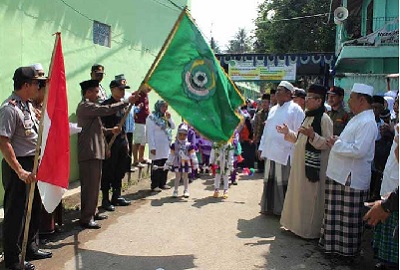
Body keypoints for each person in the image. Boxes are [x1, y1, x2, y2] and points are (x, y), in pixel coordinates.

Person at [0, 66, 52, 270]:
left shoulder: (28, 105)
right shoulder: (10, 108)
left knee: (34, 208)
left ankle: (30, 247)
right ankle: (13, 259)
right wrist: (20, 170)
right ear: (26, 85)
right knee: (16, 213)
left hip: (33, 163)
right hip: (18, 166)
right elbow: (4, 142)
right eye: (36, 83)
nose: (39, 86)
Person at [319, 83, 378, 257]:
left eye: (351, 97)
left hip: (351, 177)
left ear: (361, 100)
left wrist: (336, 143)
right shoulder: (357, 117)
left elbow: (358, 150)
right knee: (335, 215)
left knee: (348, 220)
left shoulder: (367, 122)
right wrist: (338, 140)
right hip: (341, 174)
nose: (348, 101)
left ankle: (346, 255)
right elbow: (350, 143)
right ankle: (333, 248)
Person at [76, 79, 137, 229]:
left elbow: (99, 128)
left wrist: (111, 131)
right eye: (96, 91)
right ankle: (86, 217)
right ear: (88, 92)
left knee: (94, 185)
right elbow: (107, 110)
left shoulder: (91, 107)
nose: (98, 94)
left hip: (96, 151)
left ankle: (93, 211)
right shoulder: (85, 106)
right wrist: (126, 102)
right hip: (89, 151)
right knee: (89, 186)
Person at [278, 84, 333, 239]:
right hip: (300, 166)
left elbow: (327, 143)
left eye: (309, 98)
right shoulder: (308, 116)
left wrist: (313, 135)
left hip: (313, 168)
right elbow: (300, 140)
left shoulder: (324, 119)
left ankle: (309, 231)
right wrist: (287, 133)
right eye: (306, 97)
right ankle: (295, 227)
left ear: (319, 100)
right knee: (298, 196)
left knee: (310, 200)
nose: (306, 101)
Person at [258, 81, 305, 215]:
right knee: (270, 181)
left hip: (285, 153)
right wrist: (262, 147)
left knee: (282, 183)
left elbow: (299, 134)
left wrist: (287, 132)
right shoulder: (273, 109)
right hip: (270, 151)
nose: (277, 93)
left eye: (280, 90)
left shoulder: (296, 109)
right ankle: (269, 208)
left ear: (289, 94)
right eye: (277, 90)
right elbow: (266, 131)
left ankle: (283, 212)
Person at [100, 80, 134, 212]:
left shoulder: (123, 106)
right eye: (120, 89)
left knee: (120, 169)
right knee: (108, 170)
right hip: (110, 142)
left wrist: (126, 142)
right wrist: (105, 146)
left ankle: (117, 195)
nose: (123, 91)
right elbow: (100, 128)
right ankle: (105, 199)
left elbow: (124, 126)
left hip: (121, 142)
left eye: (124, 89)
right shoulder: (106, 106)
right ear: (112, 89)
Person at [146, 100, 175, 192]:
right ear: (158, 106)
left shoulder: (165, 117)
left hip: (165, 145)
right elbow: (150, 133)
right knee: (157, 164)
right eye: (163, 107)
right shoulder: (151, 117)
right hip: (156, 145)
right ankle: (155, 185)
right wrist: (152, 147)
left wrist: (169, 118)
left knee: (164, 164)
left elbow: (173, 127)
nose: (165, 109)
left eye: (166, 107)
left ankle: (163, 183)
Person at [166, 123, 199, 198]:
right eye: (180, 134)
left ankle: (186, 190)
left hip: (186, 162)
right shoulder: (174, 145)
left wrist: (195, 163)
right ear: (178, 134)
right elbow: (171, 155)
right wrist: (168, 163)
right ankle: (175, 190)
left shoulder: (188, 145)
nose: (182, 136)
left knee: (185, 176)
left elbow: (192, 154)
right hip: (177, 162)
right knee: (177, 176)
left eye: (184, 135)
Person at [132, 84, 151, 167]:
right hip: (138, 121)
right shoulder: (137, 94)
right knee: (137, 141)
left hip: (145, 121)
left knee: (143, 141)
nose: (149, 89)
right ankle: (135, 160)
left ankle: (141, 158)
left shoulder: (146, 95)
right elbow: (131, 106)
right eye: (148, 87)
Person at [253, 93, 270, 173]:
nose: (264, 104)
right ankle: (260, 168)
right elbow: (255, 125)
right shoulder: (258, 114)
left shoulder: (272, 113)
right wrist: (255, 135)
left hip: (269, 136)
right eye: (263, 102)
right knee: (259, 151)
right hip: (260, 135)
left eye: (266, 102)